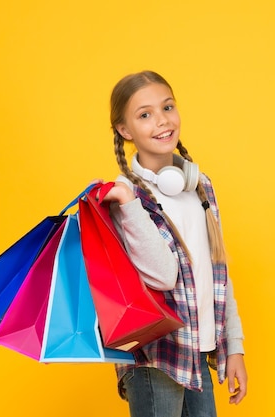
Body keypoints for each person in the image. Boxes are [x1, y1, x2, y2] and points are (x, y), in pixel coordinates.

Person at [101, 70, 248, 417]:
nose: (162, 121)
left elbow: (218, 271)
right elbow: (164, 277)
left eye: (167, 107)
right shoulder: (126, 199)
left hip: (198, 351)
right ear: (125, 131)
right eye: (145, 115)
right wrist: (129, 204)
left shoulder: (200, 186)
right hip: (156, 358)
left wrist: (234, 346)